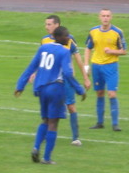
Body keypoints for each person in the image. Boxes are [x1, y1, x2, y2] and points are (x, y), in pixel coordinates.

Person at [15, 26, 86, 165]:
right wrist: (79, 89)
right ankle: (46, 158)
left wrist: (20, 85)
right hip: (55, 88)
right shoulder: (64, 52)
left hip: (41, 88)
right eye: (66, 36)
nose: (68, 38)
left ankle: (36, 147)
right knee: (53, 123)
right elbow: (67, 73)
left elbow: (31, 67)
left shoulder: (43, 48)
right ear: (58, 37)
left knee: (45, 120)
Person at [42, 15, 90, 146]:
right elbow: (42, 59)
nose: (47, 27)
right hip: (51, 81)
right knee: (49, 107)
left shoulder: (68, 39)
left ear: (57, 25)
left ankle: (75, 137)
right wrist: (35, 74)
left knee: (71, 106)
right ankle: (46, 134)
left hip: (67, 80)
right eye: (46, 24)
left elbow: (78, 58)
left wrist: (85, 77)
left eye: (49, 24)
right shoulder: (44, 40)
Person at [84, 8, 127, 131]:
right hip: (96, 66)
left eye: (108, 16)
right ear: (99, 17)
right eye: (103, 15)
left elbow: (124, 50)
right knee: (99, 93)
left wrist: (112, 51)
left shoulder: (117, 32)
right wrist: (86, 65)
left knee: (112, 93)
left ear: (111, 17)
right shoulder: (93, 31)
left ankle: (115, 124)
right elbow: (88, 48)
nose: (105, 18)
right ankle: (99, 122)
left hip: (111, 66)